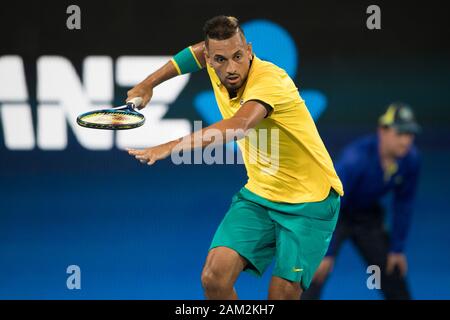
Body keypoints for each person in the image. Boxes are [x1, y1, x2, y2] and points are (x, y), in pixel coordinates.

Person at [126, 15, 343, 300]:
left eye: (238, 56)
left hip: (310, 201)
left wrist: (170, 146)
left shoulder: (269, 81)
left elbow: (239, 126)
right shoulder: (213, 57)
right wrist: (149, 83)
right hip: (260, 195)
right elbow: (195, 53)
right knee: (214, 279)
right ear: (210, 58)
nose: (231, 68)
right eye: (220, 59)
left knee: (281, 294)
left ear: (249, 51)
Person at [302, 103, 421, 300]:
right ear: (383, 131)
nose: (406, 141)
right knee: (314, 274)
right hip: (332, 214)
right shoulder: (355, 160)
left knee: (391, 271)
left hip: (367, 216)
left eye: (410, 134)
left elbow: (404, 204)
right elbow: (329, 202)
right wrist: (326, 251)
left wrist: (397, 248)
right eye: (400, 133)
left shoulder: (411, 160)